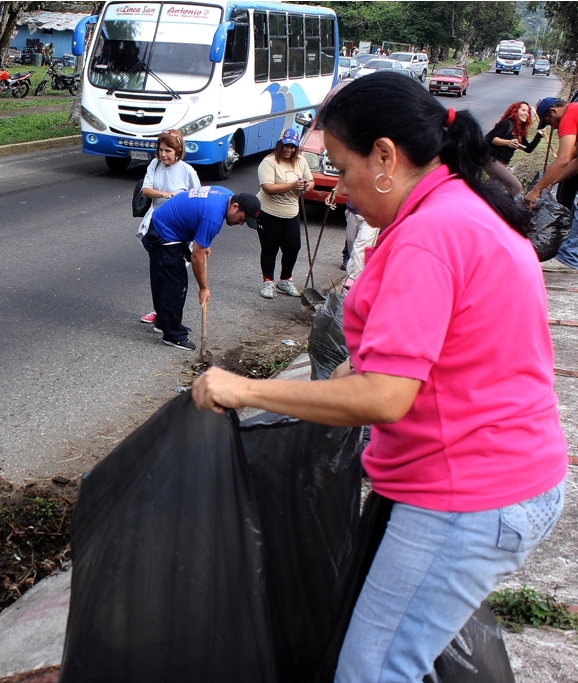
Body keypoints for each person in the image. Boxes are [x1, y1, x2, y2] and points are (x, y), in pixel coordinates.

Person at [191, 73, 568, 683]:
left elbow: (386, 396)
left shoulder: (429, 236)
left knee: (375, 670)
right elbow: (421, 354)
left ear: (386, 156)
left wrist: (246, 389)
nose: (337, 189)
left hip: (466, 491)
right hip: (501, 475)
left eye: (341, 169)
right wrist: (338, 378)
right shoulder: (459, 208)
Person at [142, 188, 260, 350]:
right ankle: (172, 334)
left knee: (166, 278)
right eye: (243, 219)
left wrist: (203, 243)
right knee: (174, 284)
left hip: (170, 225)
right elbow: (197, 257)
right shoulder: (213, 217)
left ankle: (165, 322)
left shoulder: (225, 195)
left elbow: (198, 217)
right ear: (235, 207)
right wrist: (203, 288)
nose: (241, 223)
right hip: (165, 232)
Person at [137, 129, 201, 326]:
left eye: (168, 151)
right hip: (156, 227)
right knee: (158, 273)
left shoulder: (187, 171)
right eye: (161, 150)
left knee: (174, 277)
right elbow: (145, 189)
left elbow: (197, 198)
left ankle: (169, 318)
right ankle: (160, 313)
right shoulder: (154, 165)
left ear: (178, 151)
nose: (163, 154)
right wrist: (165, 194)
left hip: (178, 231)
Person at [256, 127, 314, 299]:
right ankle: (268, 282)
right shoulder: (269, 162)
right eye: (286, 145)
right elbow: (267, 188)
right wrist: (293, 186)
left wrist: (306, 187)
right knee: (270, 248)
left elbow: (311, 181)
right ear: (280, 145)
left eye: (293, 146)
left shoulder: (300, 162)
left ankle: (285, 280)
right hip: (269, 212)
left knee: (293, 247)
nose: (289, 150)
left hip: (291, 213)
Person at [526, 97, 578, 273]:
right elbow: (575, 160)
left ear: (554, 111)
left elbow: (563, 158)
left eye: (549, 122)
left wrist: (536, 190)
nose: (554, 128)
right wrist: (551, 182)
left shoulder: (570, 114)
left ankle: (569, 259)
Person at [483, 102, 541, 196]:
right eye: (523, 110)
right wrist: (508, 142)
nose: (526, 113)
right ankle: (506, 208)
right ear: (515, 111)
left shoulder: (519, 131)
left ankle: (478, 203)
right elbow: (491, 138)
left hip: (503, 163)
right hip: (493, 161)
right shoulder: (507, 123)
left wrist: (539, 135)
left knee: (492, 189)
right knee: (516, 187)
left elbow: (528, 149)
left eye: (528, 111)